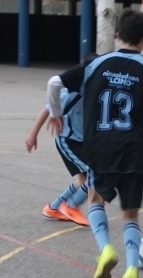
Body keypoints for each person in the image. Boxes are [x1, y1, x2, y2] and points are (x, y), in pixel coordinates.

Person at [47, 9, 143, 278]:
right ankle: (130, 271)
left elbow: (54, 83)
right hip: (138, 151)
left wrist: (54, 114)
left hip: (101, 147)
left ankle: (105, 249)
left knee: (95, 199)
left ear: (116, 35)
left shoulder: (97, 65)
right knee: (131, 215)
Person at [25, 53, 98, 226]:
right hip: (67, 140)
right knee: (95, 176)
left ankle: (54, 207)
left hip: (80, 141)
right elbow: (46, 109)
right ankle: (70, 206)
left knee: (83, 181)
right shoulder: (70, 93)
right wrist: (33, 135)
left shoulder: (93, 91)